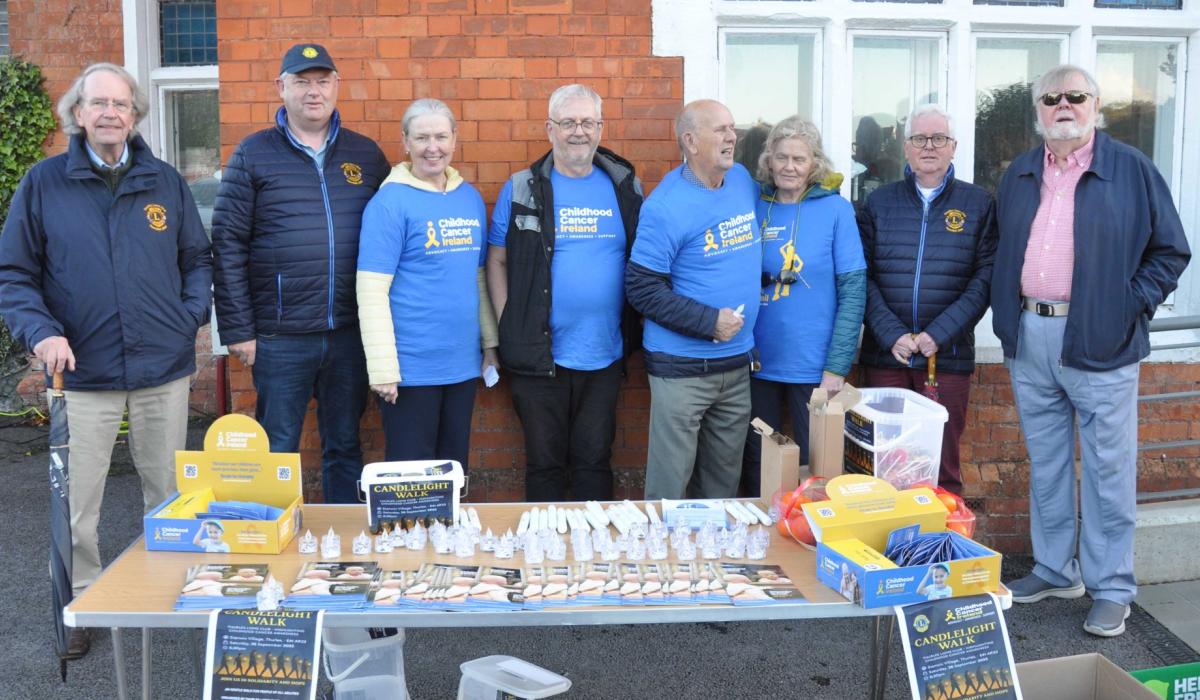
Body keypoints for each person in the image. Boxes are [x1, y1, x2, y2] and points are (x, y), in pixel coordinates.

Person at [0, 62, 212, 659]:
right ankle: (82, 602)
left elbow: (197, 258)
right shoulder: (43, 185)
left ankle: (170, 587)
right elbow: (14, 275)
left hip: (160, 369)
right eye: (98, 104)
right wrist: (41, 334)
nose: (110, 113)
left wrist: (187, 313)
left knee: (168, 490)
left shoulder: (164, 182)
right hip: (82, 376)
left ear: (135, 113)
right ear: (78, 113)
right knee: (77, 501)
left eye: (120, 104)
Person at [993, 65, 1190, 637]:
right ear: (1038, 110)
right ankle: (1056, 568)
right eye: (1051, 98)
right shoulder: (1022, 171)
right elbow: (1002, 245)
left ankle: (1112, 588)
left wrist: (1127, 305)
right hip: (1031, 336)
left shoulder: (1130, 168)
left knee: (1108, 472)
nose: (1063, 106)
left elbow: (1170, 251)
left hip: (1102, 339)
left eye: (1075, 97)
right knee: (1048, 465)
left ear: (1094, 104)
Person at [212, 44, 389, 503]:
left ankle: (342, 550)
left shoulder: (365, 155)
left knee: (345, 445)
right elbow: (227, 245)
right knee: (278, 447)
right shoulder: (252, 154)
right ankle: (274, 543)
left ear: (336, 86)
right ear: (281, 88)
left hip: (351, 333)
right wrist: (239, 330)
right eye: (302, 81)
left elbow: (393, 238)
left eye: (323, 81)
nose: (314, 92)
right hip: (279, 336)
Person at [487, 84, 643, 502]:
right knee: (545, 464)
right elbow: (497, 260)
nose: (579, 132)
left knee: (594, 461)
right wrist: (508, 324)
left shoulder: (625, 185)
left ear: (600, 128)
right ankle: (545, 558)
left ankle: (595, 558)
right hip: (539, 356)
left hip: (605, 353)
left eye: (587, 122)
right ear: (549, 129)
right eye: (568, 122)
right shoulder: (522, 187)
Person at [856, 104, 998, 495]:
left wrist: (938, 334)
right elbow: (860, 277)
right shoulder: (879, 203)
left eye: (939, 139)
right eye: (920, 138)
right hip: (887, 356)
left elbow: (984, 279)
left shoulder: (978, 204)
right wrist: (890, 334)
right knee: (883, 463)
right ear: (906, 147)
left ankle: (942, 552)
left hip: (947, 358)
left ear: (953, 147)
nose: (929, 146)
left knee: (943, 464)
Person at [628, 99, 762, 500]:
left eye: (732, 128)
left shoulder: (741, 181)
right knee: (670, 487)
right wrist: (708, 322)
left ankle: (711, 562)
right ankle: (659, 560)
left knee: (721, 485)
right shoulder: (665, 207)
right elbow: (641, 287)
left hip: (737, 364)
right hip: (682, 370)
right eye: (720, 129)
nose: (732, 137)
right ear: (690, 140)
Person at [357, 99, 495, 471]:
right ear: (405, 142)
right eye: (421, 137)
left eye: (440, 136)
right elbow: (371, 291)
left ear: (455, 139)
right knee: (411, 479)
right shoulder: (388, 203)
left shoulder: (469, 198)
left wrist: (490, 345)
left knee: (453, 471)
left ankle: (450, 532)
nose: (432, 147)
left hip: (461, 366)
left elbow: (477, 278)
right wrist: (383, 369)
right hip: (410, 370)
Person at [742, 116, 866, 496]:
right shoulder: (754, 205)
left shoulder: (836, 211)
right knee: (757, 461)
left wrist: (836, 367)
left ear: (815, 163)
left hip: (814, 365)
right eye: (781, 157)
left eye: (799, 158)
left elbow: (854, 291)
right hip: (757, 361)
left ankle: (810, 542)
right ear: (769, 160)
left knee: (817, 466)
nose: (789, 166)